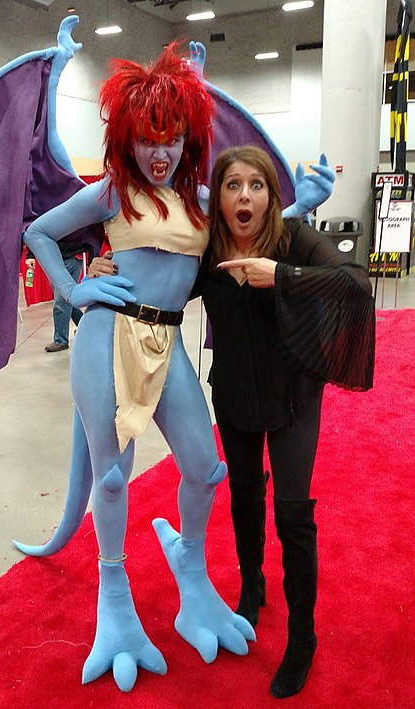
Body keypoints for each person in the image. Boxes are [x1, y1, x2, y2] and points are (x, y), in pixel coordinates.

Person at [90, 145, 375, 698]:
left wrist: (283, 276)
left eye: (257, 186)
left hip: (294, 400)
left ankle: (302, 638)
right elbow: (161, 287)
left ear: (272, 195)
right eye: (233, 186)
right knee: (243, 496)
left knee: (293, 515)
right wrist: (107, 266)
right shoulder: (209, 254)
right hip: (236, 399)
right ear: (216, 199)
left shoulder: (294, 241)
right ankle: (251, 589)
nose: (245, 196)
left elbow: (356, 282)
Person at [17, 43, 257, 693]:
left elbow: (254, 228)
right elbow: (38, 230)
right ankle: (114, 591)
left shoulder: (204, 199)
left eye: (172, 138)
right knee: (114, 479)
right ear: (128, 140)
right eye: (148, 139)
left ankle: (190, 565)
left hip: (169, 341)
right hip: (107, 338)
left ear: (187, 138)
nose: (160, 153)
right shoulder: (110, 194)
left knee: (206, 468)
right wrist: (74, 289)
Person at [25, 228, 99, 352]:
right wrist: (31, 255)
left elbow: (89, 232)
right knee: (68, 300)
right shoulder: (47, 211)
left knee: (61, 302)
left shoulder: (74, 211)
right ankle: (88, 328)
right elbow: (37, 230)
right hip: (53, 259)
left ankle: (61, 340)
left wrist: (93, 260)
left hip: (71, 257)